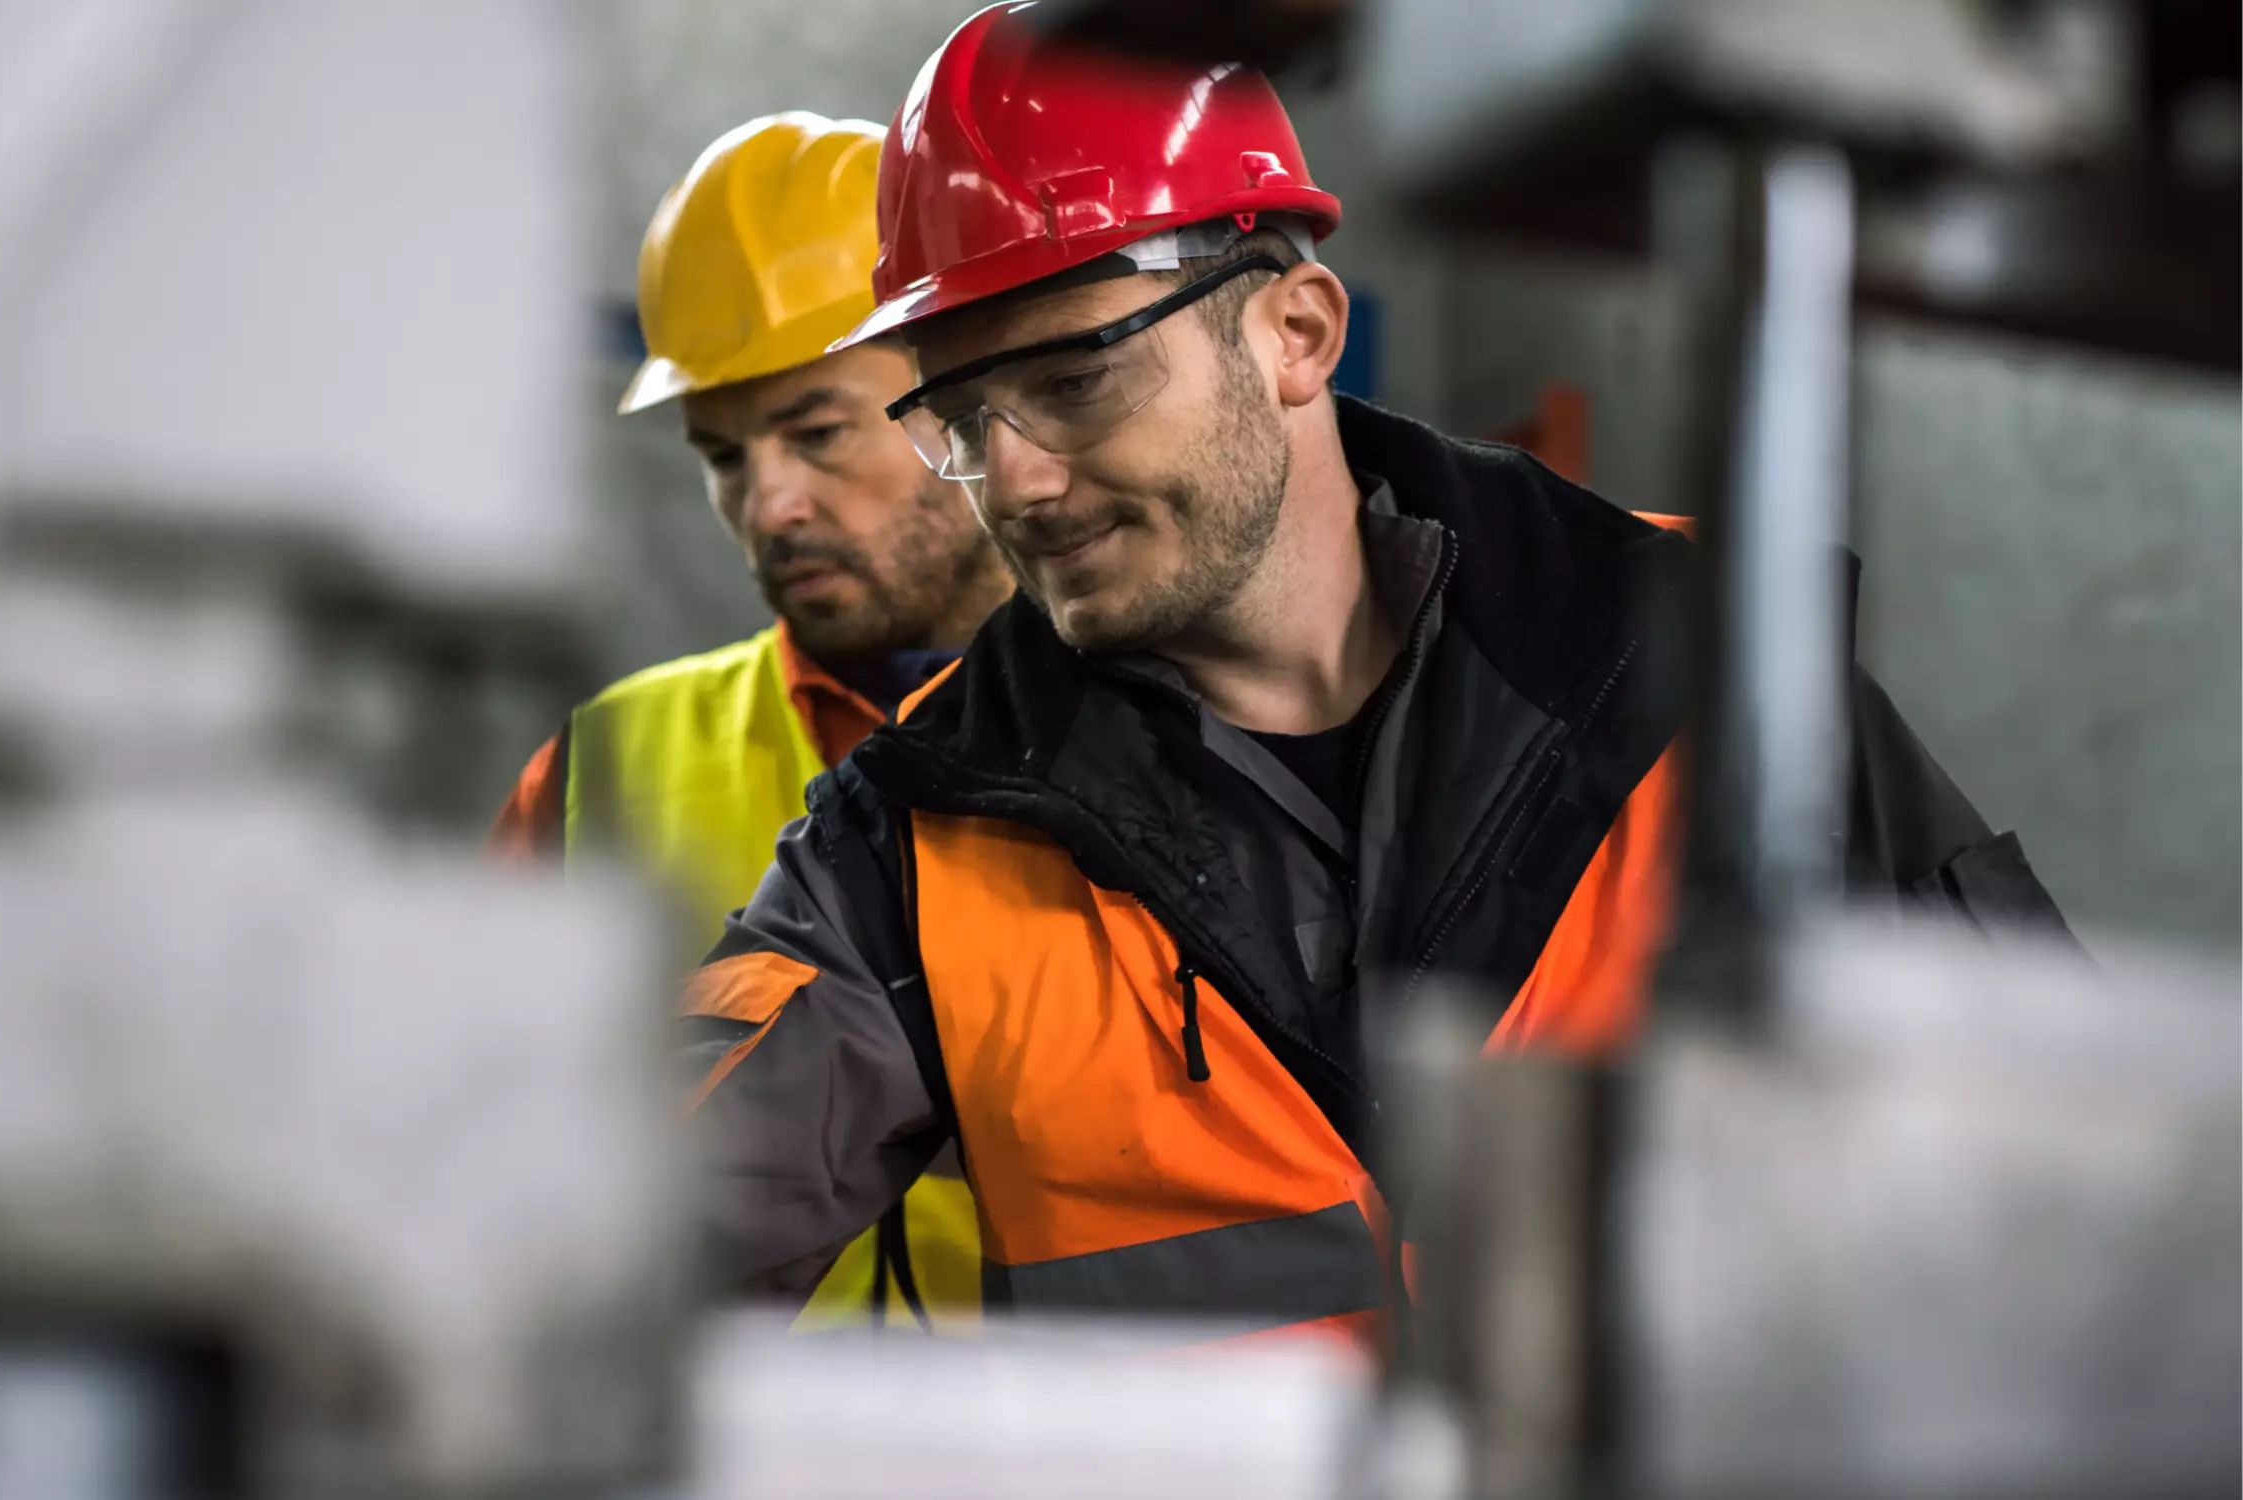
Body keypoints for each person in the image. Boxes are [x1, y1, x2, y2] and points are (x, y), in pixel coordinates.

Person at [680, 4, 2070, 1331]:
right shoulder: (913, 833)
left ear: (1296, 332)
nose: (1021, 480)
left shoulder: (1695, 659)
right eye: (962, 417)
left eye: (1076, 378)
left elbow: (2051, 1159)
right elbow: (641, 1222)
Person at [494, 113, 1014, 1327]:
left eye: (817, 431)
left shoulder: (1185, 731)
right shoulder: (597, 771)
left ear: (963, 395)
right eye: (722, 455)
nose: (769, 504)